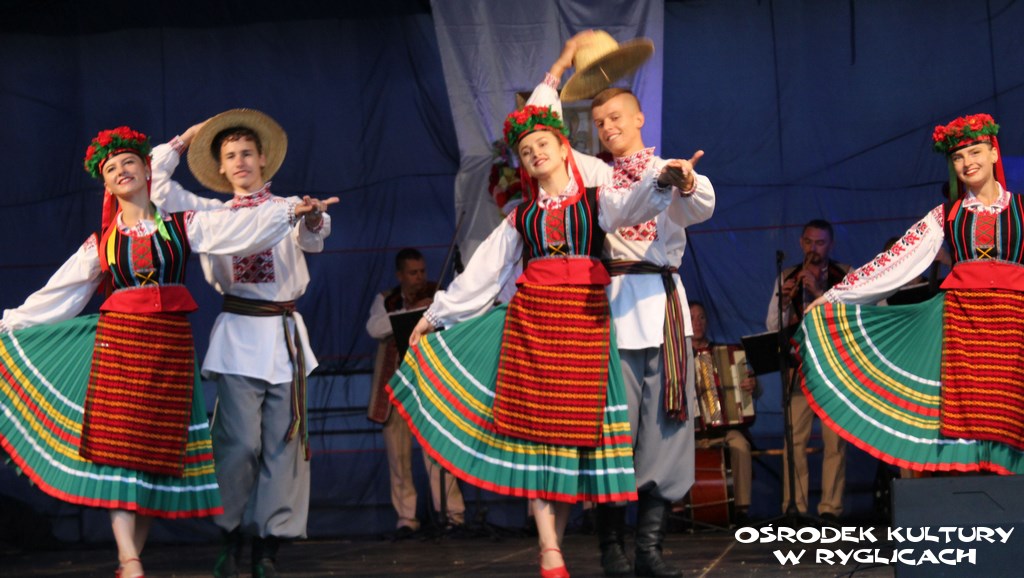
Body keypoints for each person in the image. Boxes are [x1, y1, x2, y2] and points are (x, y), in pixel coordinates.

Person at [0, 126, 326, 578]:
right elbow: (60, 293)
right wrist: (181, 141)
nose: (122, 171)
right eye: (112, 168)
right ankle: (150, 555)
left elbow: (262, 230)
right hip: (135, 347)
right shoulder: (125, 236)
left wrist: (298, 212)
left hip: (193, 349)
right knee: (150, 452)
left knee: (178, 457)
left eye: (129, 162)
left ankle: (259, 546)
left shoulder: (193, 223)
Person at [390, 104, 689, 578]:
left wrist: (663, 181)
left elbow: (635, 205)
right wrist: (434, 315)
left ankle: (576, 547)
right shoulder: (521, 217)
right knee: (536, 439)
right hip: (533, 327)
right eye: (526, 151)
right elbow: (484, 273)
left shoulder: (597, 200)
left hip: (586, 329)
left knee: (568, 444)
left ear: (564, 149)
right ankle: (551, 550)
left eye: (542, 144)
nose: (534, 154)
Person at [529, 31, 715, 577]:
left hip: (662, 307)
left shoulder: (668, 168)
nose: (607, 126)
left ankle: (649, 550)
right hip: (609, 310)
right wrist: (562, 64)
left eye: (616, 117)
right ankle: (610, 548)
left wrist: (685, 182)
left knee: (667, 430)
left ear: (639, 119)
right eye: (599, 121)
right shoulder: (592, 174)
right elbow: (540, 129)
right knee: (611, 431)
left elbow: (699, 207)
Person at [148, 110, 338, 578]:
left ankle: (267, 548)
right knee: (237, 445)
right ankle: (230, 535)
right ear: (221, 167)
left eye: (247, 153)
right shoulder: (211, 216)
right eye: (230, 155)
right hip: (238, 336)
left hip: (285, 339)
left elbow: (312, 237)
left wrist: (313, 217)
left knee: (283, 446)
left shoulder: (290, 205)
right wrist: (184, 140)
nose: (240, 162)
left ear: (263, 159)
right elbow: (155, 187)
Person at [801, 113, 1024, 475]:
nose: (967, 163)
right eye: (958, 157)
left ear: (994, 153)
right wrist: (833, 297)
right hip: (961, 325)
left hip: (1014, 324)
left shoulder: (1022, 209)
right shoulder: (945, 215)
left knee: (1013, 412)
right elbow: (895, 262)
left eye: (975, 152)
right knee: (966, 416)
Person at [365, 248, 466, 537]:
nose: (420, 277)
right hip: (396, 387)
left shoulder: (437, 295)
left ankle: (452, 514)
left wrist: (430, 310)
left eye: (422, 271)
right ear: (400, 275)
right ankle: (406, 518)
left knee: (438, 453)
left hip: (430, 387)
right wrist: (410, 314)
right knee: (398, 456)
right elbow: (374, 328)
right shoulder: (387, 300)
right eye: (413, 273)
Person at [765, 219, 849, 521]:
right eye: (809, 242)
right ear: (801, 243)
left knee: (834, 444)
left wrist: (819, 293)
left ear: (831, 245)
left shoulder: (846, 276)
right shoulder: (787, 276)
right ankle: (796, 507)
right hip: (799, 370)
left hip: (833, 372)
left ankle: (830, 509)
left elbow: (853, 320)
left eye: (821, 243)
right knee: (795, 442)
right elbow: (772, 326)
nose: (814, 248)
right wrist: (785, 304)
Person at [688, 301, 759, 525]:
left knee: (741, 444)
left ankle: (742, 510)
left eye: (701, 317)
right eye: (692, 318)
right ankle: (678, 510)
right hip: (689, 433)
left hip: (724, 429)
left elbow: (753, 388)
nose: (697, 323)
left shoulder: (727, 353)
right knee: (669, 450)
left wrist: (753, 385)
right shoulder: (677, 357)